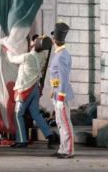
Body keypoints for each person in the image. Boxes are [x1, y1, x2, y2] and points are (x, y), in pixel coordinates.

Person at [6, 35, 59, 148]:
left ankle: (22, 139)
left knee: (18, 114)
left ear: (34, 45)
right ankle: (49, 135)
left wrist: (7, 50)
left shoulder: (27, 57)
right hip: (35, 88)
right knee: (36, 114)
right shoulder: (42, 57)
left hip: (25, 89)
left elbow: (12, 59)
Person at [49, 22, 74, 159]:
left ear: (54, 41)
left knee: (65, 123)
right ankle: (62, 148)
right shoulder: (60, 54)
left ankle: (68, 150)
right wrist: (53, 90)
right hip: (57, 93)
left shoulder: (61, 56)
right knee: (60, 122)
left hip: (61, 96)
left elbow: (64, 78)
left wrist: (60, 98)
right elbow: (57, 77)